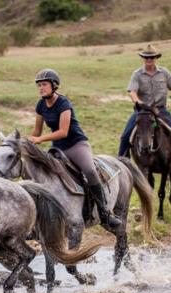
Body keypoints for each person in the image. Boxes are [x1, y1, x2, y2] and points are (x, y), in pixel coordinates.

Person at [29, 68, 120, 229]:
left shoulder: (64, 103)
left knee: (90, 171)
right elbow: (37, 132)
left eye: (44, 84)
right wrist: (27, 141)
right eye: (39, 85)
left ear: (54, 85)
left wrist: (41, 139)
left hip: (76, 145)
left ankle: (104, 213)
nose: (41, 88)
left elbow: (63, 132)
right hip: (58, 149)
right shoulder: (41, 105)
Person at [117, 44, 171, 178]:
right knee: (125, 136)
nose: (148, 60)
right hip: (142, 111)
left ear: (156, 58)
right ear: (143, 58)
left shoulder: (164, 73)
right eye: (146, 57)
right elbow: (132, 92)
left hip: (160, 110)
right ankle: (121, 163)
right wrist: (139, 102)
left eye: (151, 57)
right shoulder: (137, 74)